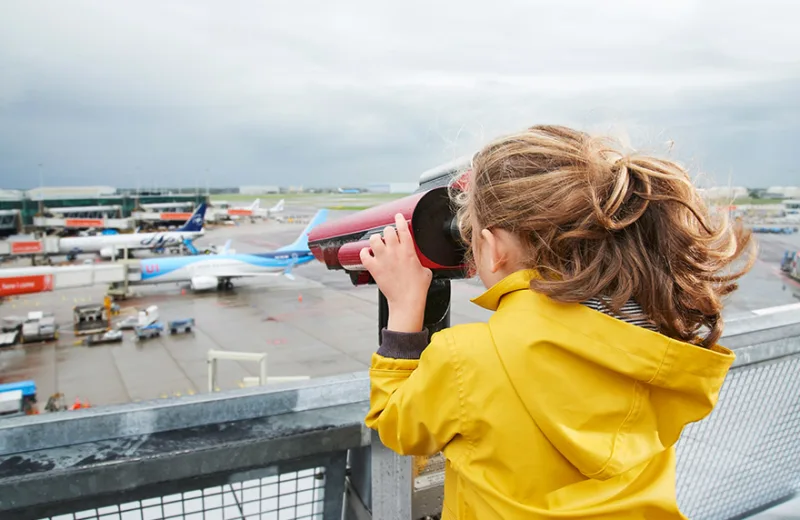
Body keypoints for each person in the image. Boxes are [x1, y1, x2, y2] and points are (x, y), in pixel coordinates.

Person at [359, 124, 755, 520]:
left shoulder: (468, 360)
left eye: (472, 239)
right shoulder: (656, 343)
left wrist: (405, 306)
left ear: (494, 249)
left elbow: (397, 424)